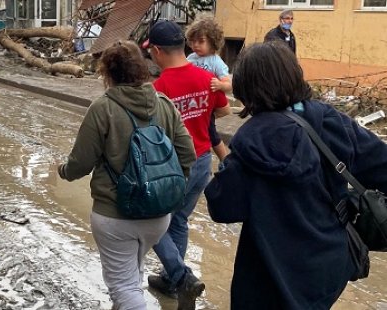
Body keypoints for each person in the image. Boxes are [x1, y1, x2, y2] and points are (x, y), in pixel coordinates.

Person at [204, 42, 387, 309]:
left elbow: (222, 207)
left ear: (246, 89)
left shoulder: (249, 141)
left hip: (269, 275)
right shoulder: (330, 120)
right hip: (328, 265)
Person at [57, 40, 196, 310]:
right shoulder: (164, 105)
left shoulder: (103, 108)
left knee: (124, 287)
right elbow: (187, 154)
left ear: (107, 72)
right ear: (142, 67)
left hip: (115, 216)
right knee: (133, 275)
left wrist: (63, 171)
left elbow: (80, 163)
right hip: (158, 217)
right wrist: (168, 187)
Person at [142, 20, 231, 310]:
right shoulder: (206, 78)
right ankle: (170, 280)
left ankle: (182, 278)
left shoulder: (160, 88)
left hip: (173, 166)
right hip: (203, 161)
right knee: (178, 220)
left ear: (157, 51)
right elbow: (224, 109)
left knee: (152, 223)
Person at [185, 16, 232, 164]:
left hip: (207, 106)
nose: (195, 45)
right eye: (193, 41)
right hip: (191, 103)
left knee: (212, 135)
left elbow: (229, 84)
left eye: (201, 41)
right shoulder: (191, 58)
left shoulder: (215, 61)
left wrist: (220, 85)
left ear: (212, 42)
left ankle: (225, 161)